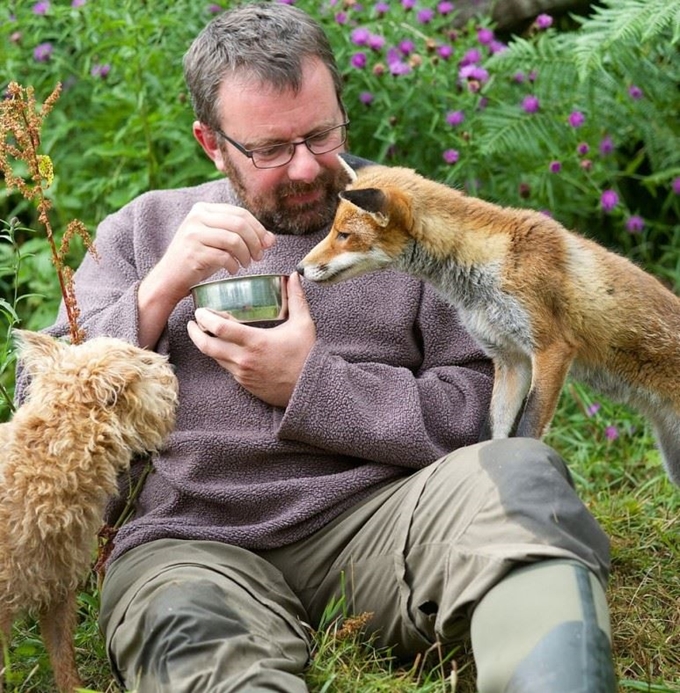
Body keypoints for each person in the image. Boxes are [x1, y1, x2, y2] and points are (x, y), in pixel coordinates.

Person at [36, 3, 616, 691]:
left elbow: (481, 410)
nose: (308, 169)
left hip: (384, 524)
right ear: (210, 142)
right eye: (272, 150)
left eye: (321, 133)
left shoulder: (409, 224)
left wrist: (313, 386)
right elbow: (40, 412)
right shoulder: (148, 227)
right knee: (190, 636)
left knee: (524, 479)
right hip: (189, 547)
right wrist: (155, 295)